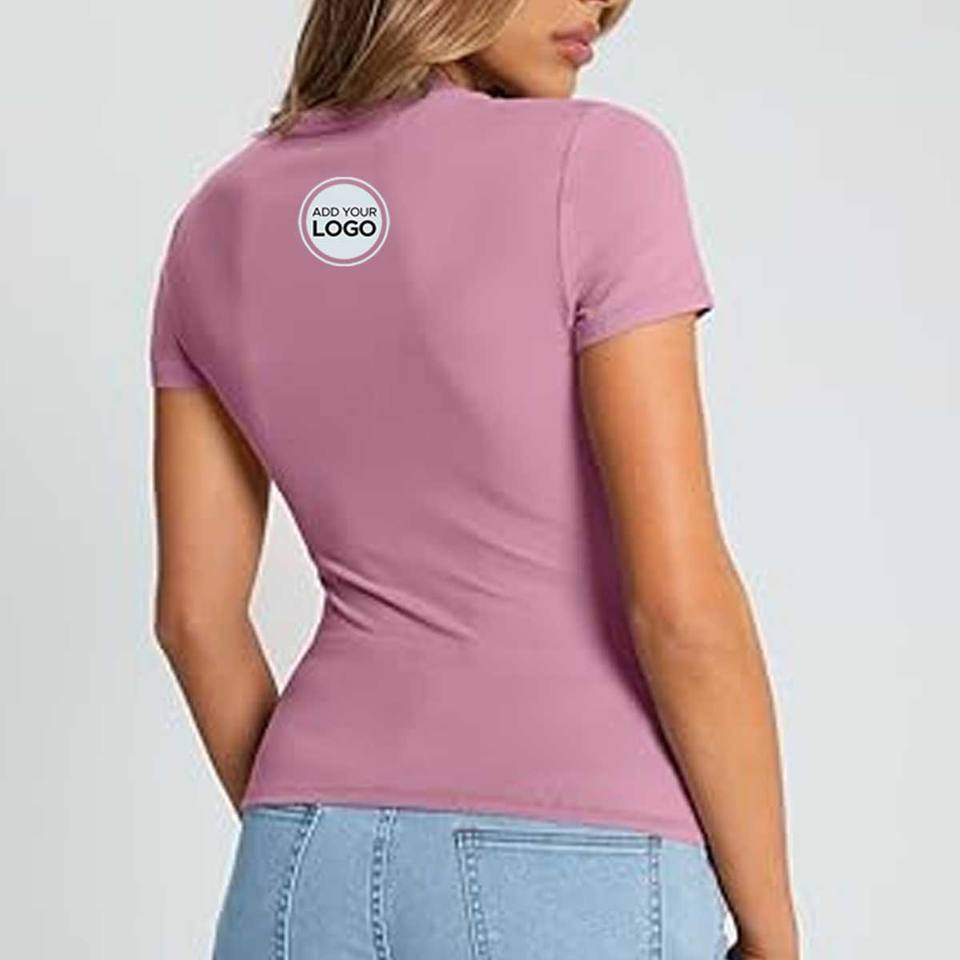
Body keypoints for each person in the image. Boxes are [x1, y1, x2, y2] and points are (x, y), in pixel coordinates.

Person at [148, 1, 800, 958]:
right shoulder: (597, 164)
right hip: (576, 859)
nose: (603, 5)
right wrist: (773, 931)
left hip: (299, 860)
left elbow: (194, 620)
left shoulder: (217, 218)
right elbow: (682, 609)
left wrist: (314, 817)